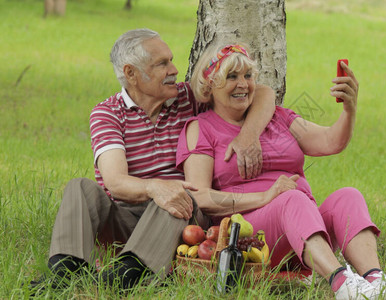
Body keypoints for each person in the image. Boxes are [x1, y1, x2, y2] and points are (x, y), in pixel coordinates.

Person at [30, 29, 276, 291]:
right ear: (131, 73)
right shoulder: (108, 113)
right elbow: (115, 182)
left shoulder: (189, 98)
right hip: (127, 218)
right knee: (80, 187)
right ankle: (65, 271)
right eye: (162, 64)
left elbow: (263, 93)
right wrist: (154, 188)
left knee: (179, 195)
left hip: (181, 218)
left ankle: (125, 276)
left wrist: (248, 136)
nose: (174, 69)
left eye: (170, 60)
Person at [175, 43, 386, 299]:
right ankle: (343, 284)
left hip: (304, 225)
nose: (243, 84)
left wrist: (349, 109)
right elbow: (201, 197)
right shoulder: (200, 128)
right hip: (252, 235)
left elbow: (330, 141)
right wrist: (267, 196)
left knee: (348, 196)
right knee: (291, 198)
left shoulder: (277, 117)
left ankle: (376, 282)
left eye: (248, 76)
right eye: (231, 77)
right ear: (210, 85)